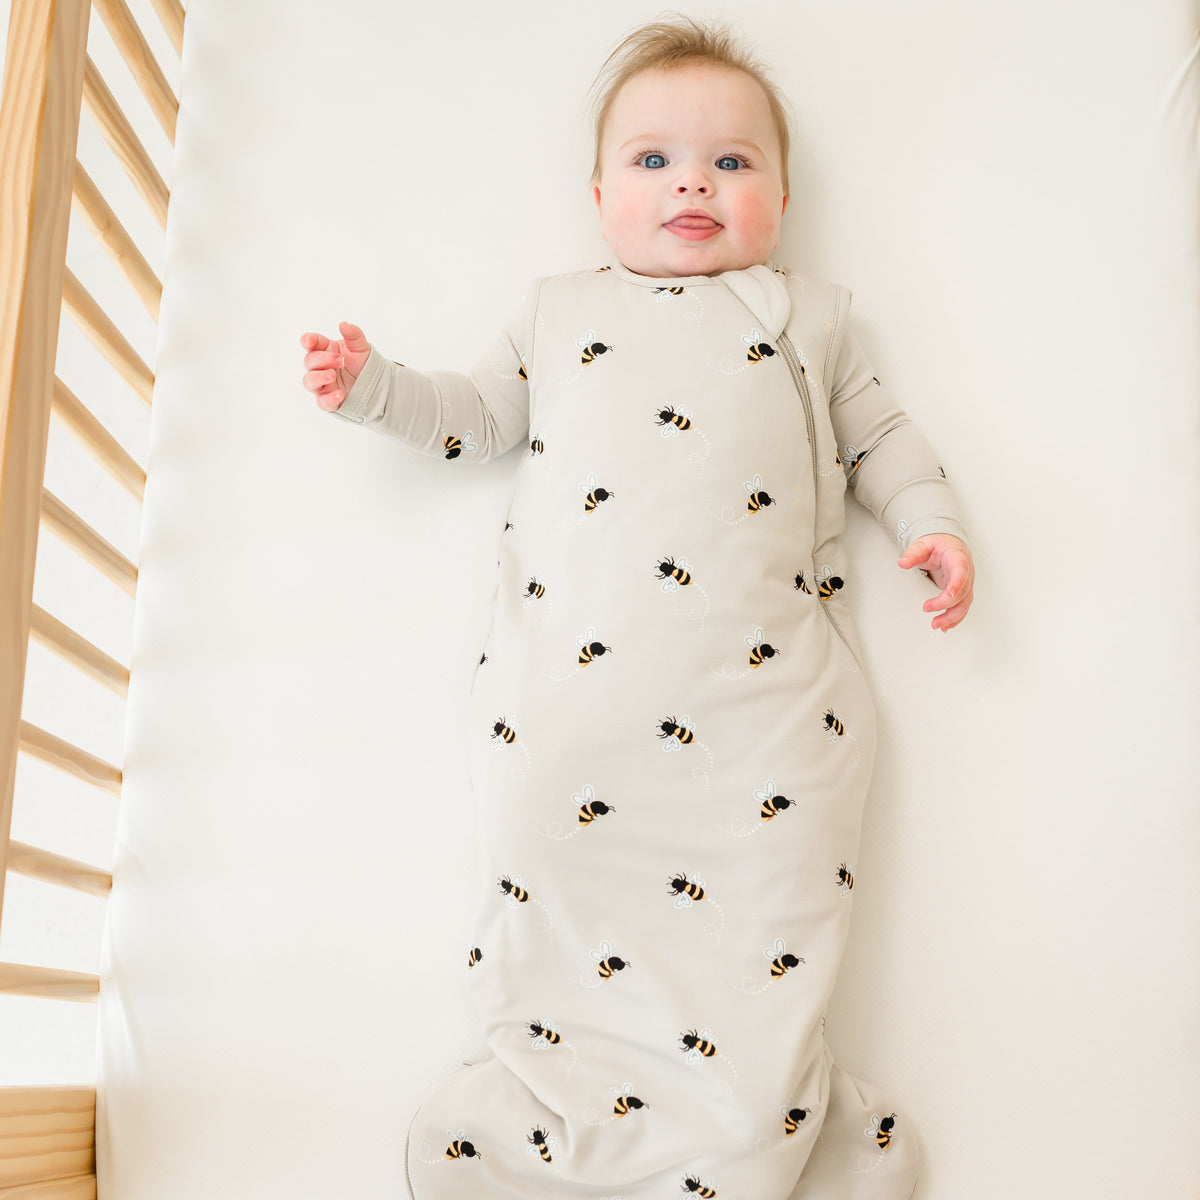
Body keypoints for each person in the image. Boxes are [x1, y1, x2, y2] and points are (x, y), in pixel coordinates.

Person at [300, 15, 973, 1199]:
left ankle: (755, 1123)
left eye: (733, 160)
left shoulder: (810, 320)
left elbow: (886, 442)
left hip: (772, 716)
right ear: (599, 192)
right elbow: (473, 417)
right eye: (655, 160)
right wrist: (375, 390)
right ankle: (551, 1104)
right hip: (572, 708)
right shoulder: (558, 315)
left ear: (780, 195)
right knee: (549, 874)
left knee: (766, 914)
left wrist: (931, 525)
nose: (694, 182)